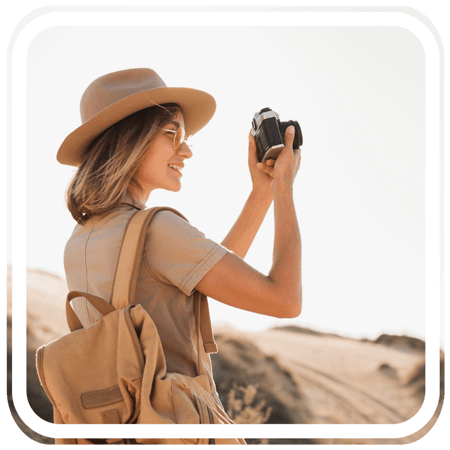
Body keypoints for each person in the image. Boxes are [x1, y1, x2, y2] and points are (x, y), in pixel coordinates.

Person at [58, 68, 302, 435]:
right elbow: (285, 300)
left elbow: (205, 277)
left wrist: (260, 193)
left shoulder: (80, 240)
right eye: (172, 134)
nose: (185, 150)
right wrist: (283, 188)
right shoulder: (156, 230)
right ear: (130, 140)